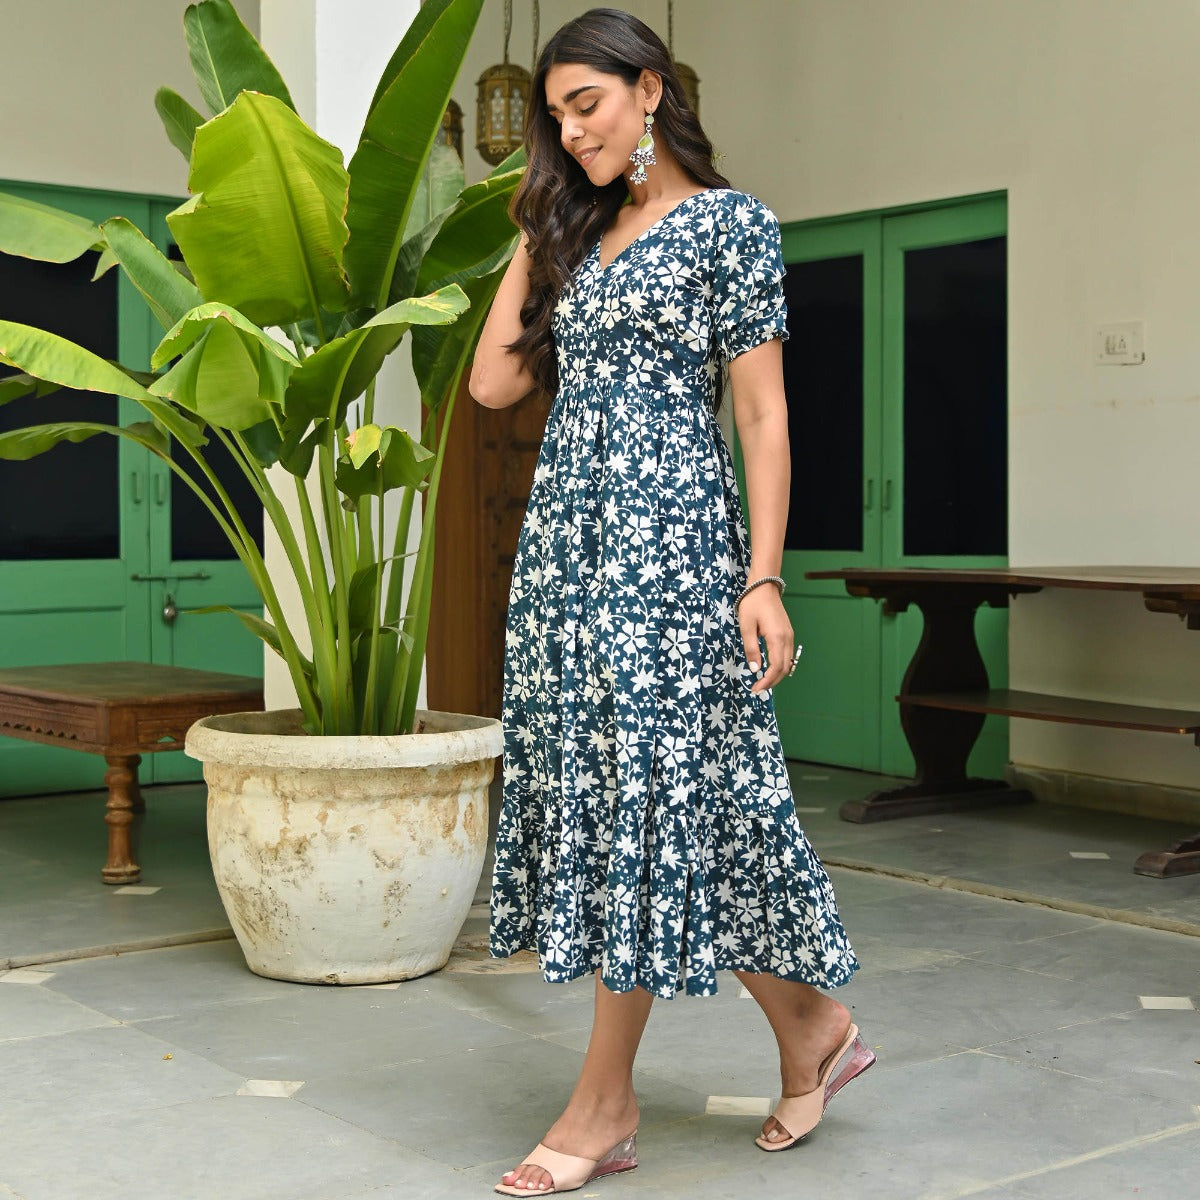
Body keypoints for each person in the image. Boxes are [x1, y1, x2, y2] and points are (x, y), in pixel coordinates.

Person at [469, 9, 870, 1195]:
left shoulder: (729, 227)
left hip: (671, 552)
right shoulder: (573, 237)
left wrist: (763, 575)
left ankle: (604, 1103)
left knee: (647, 802)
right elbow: (495, 383)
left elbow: (763, 416)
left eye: (585, 104)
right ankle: (813, 1029)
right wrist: (529, 235)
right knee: (670, 806)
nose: (570, 130)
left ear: (650, 90)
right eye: (554, 116)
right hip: (567, 554)